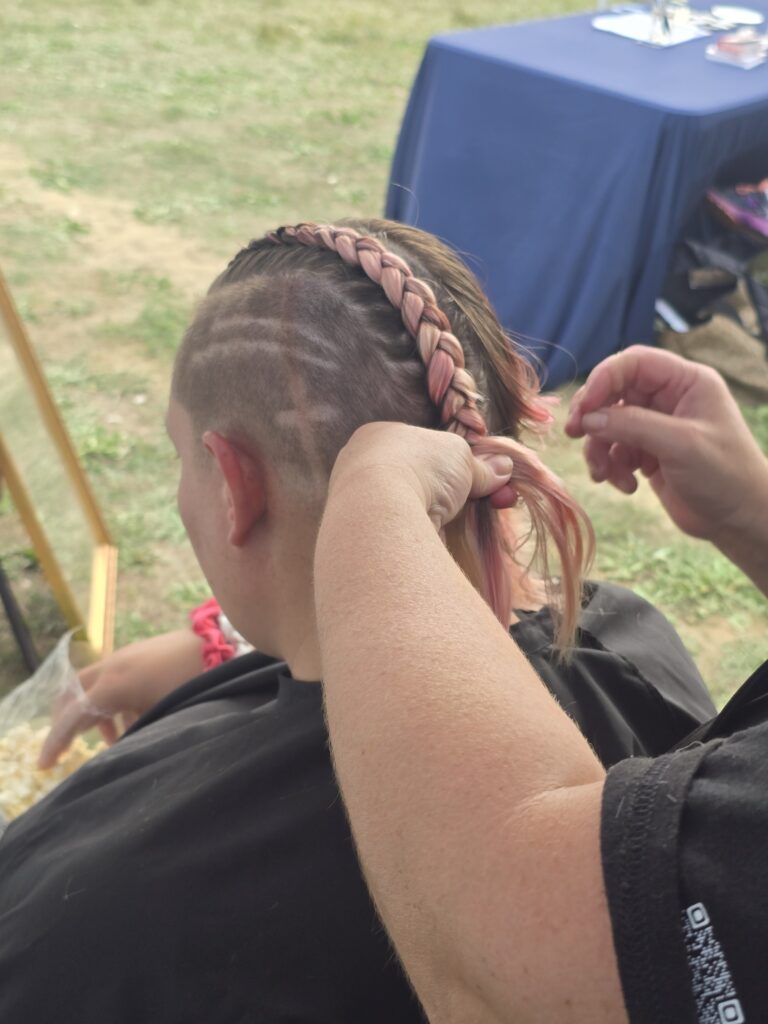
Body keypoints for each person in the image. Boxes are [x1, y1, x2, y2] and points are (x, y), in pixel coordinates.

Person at [0, 225, 710, 1022]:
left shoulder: (90, 923)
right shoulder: (630, 643)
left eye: (179, 457)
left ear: (236, 485)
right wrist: (217, 654)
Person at [314, 345, 768, 1024]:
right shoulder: (632, 639)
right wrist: (751, 512)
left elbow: (499, 957)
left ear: (237, 484)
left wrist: (371, 495)